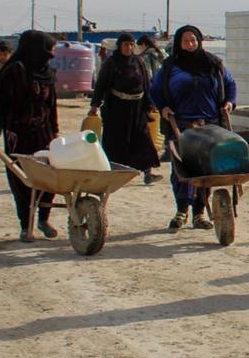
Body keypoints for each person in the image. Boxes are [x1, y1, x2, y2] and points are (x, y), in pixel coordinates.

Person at [149, 25, 237, 231]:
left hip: (211, 125)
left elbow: (230, 84)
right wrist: (162, 108)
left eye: (193, 40)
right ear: (179, 43)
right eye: (185, 41)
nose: (190, 45)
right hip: (180, 124)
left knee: (206, 169)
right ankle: (181, 210)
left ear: (199, 41)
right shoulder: (170, 67)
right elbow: (154, 90)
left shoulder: (214, 64)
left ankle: (199, 213)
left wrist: (229, 102)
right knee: (182, 169)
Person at [0, 31, 60, 242]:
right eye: (48, 50)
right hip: (19, 135)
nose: (52, 54)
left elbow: (52, 106)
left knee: (49, 177)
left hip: (44, 133)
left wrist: (55, 131)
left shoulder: (48, 72)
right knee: (22, 180)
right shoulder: (14, 71)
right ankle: (26, 225)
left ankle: (44, 219)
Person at [90, 33, 161, 184]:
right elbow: (101, 85)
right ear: (119, 46)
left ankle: (148, 173)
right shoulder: (112, 63)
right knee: (116, 141)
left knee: (143, 139)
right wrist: (94, 106)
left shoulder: (139, 62)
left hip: (137, 109)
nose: (129, 48)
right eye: (125, 45)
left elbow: (146, 84)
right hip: (117, 109)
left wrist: (150, 103)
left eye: (131, 45)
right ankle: (113, 174)